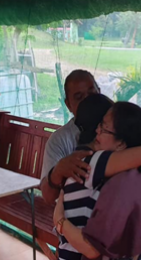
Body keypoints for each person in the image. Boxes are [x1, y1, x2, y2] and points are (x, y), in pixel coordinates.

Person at [54, 102, 141, 260]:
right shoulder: (139, 175)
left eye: (103, 127)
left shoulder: (109, 171)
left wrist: (59, 221)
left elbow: (91, 249)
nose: (98, 131)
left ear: (121, 143)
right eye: (99, 125)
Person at [40, 70, 100, 205]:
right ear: (68, 104)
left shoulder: (117, 128)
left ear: (100, 92)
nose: (87, 101)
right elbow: (48, 196)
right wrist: (58, 171)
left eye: (92, 93)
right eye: (79, 97)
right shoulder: (60, 140)